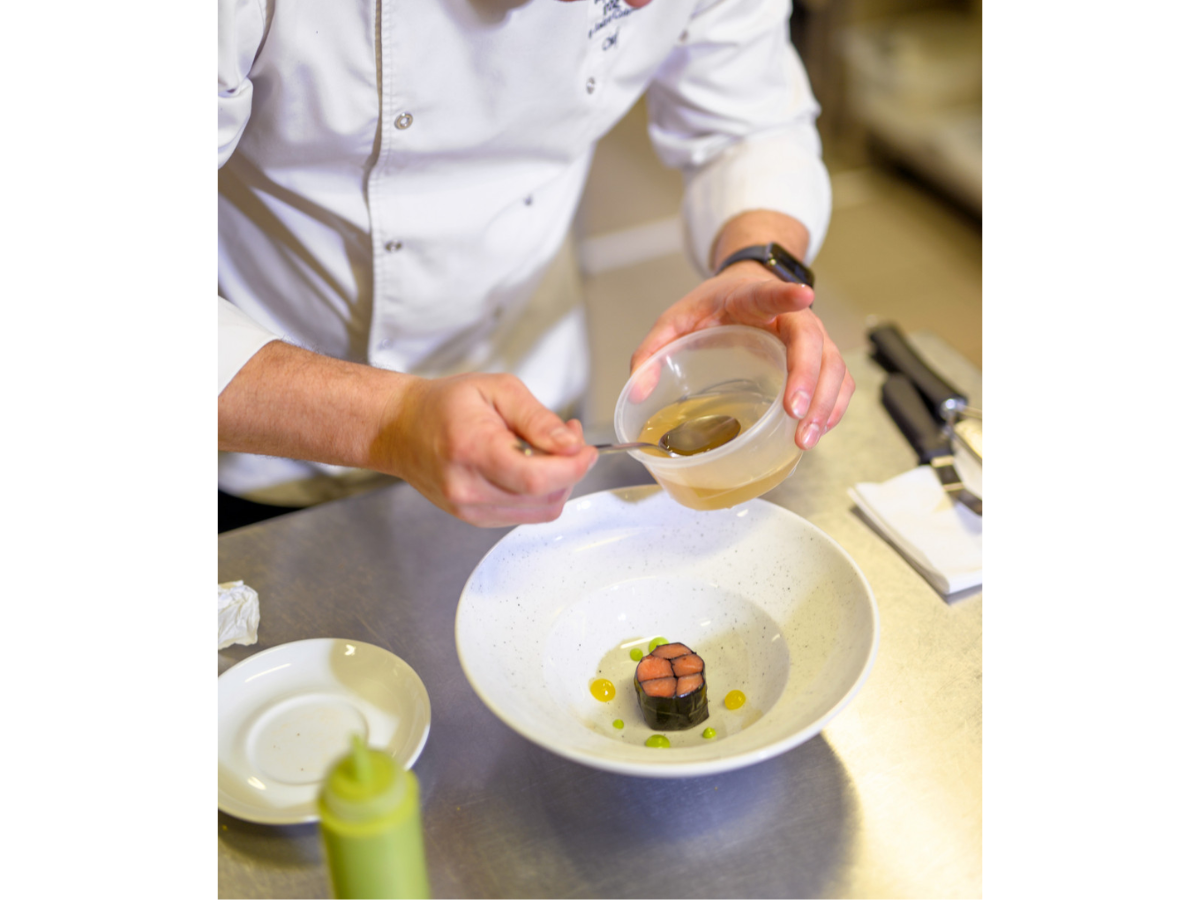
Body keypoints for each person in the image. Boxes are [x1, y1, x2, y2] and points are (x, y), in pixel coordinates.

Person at [217, 0, 854, 530]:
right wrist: (390, 420)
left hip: (531, 392)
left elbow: (748, 124)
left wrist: (756, 262)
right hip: (267, 419)